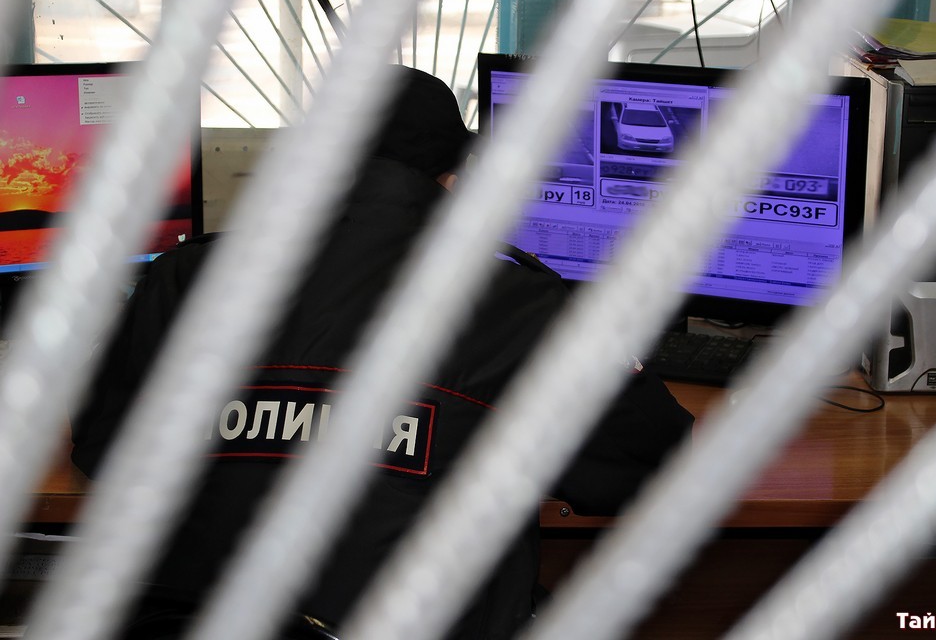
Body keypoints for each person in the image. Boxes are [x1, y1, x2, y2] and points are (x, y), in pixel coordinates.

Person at [70, 65, 695, 639]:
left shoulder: (183, 277)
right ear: (454, 181)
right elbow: (651, 468)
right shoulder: (522, 302)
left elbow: (102, 449)